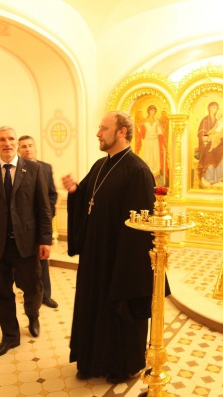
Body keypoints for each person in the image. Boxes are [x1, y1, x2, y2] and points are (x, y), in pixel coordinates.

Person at [62, 110, 167, 384]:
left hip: (120, 260)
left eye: (104, 128)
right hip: (94, 256)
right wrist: (75, 192)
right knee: (92, 308)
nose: (98, 133)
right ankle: (91, 359)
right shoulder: (100, 165)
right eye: (99, 128)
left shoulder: (138, 171)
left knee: (118, 312)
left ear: (122, 132)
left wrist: (125, 267)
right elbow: (88, 199)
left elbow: (141, 227)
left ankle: (123, 365)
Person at [0, 126, 53, 358]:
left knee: (33, 288)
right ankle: (10, 336)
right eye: (1, 140)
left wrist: (45, 240)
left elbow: (43, 208)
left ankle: (33, 315)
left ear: (16, 143)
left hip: (27, 244)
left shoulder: (35, 169)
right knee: (2, 292)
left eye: (11, 139)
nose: (7, 143)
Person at [17, 134, 59, 309]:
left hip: (41, 222)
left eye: (30, 145)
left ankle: (45, 295)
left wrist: (47, 214)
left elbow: (52, 194)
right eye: (23, 146)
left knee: (42, 259)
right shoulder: (15, 169)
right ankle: (27, 291)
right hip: (22, 224)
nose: (27, 149)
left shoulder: (45, 168)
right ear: (18, 150)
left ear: (35, 147)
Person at [197, 101, 223, 187]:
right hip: (206, 145)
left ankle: (218, 177)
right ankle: (210, 178)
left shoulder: (218, 121)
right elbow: (202, 133)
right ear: (208, 108)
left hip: (217, 144)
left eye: (216, 108)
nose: (214, 110)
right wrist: (206, 139)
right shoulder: (205, 120)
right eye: (213, 107)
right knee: (209, 156)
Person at [135, 105, 167, 185]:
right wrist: (138, 128)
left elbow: (160, 133)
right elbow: (140, 132)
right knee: (148, 156)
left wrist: (163, 145)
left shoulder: (157, 122)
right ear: (149, 111)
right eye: (152, 110)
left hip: (155, 140)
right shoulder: (144, 122)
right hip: (147, 141)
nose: (153, 112)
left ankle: (155, 177)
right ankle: (147, 175)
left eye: (155, 111)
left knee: (155, 157)